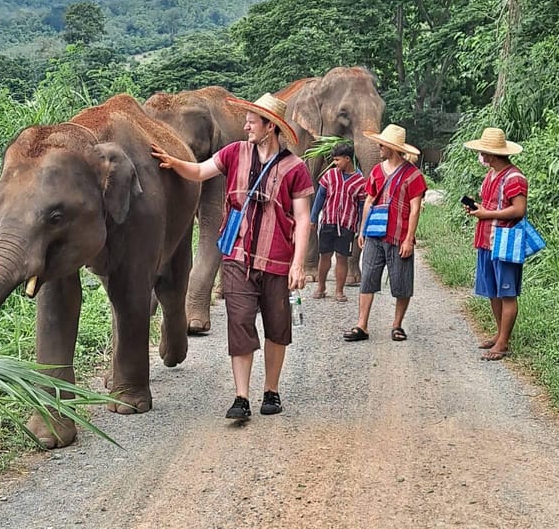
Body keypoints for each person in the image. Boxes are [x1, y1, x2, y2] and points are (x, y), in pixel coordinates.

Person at [151, 93, 314, 419]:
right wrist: (173, 162)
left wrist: (298, 263)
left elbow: (303, 218)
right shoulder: (234, 153)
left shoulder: (295, 168)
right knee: (239, 324)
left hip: (278, 260)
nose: (246, 126)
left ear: (270, 127)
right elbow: (200, 172)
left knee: (277, 328)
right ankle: (241, 397)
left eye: (252, 122)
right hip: (237, 258)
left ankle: (271, 391)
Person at [343, 124, 427, 343]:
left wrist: (409, 238)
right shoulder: (377, 171)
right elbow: (369, 200)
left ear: (393, 147)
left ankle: (397, 325)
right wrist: (362, 229)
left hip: (399, 236)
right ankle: (362, 325)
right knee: (368, 279)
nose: (379, 147)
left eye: (383, 144)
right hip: (374, 234)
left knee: (402, 282)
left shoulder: (413, 175)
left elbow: (415, 208)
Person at [463, 127, 527, 361]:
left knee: (507, 293)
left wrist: (487, 214)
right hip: (487, 239)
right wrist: (479, 209)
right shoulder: (490, 176)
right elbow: (492, 205)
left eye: (483, 151)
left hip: (505, 240)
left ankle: (503, 343)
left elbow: (519, 209)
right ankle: (500, 335)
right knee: (493, 291)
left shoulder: (514, 177)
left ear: (491, 154)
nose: (481, 155)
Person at [309, 142, 366, 303]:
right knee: (324, 255)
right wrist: (313, 218)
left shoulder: (360, 182)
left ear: (348, 159)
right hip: (328, 222)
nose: (335, 163)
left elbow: (362, 207)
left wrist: (361, 228)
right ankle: (321, 287)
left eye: (338, 160)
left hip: (347, 226)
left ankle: (339, 291)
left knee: (342, 257)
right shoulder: (330, 176)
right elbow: (320, 197)